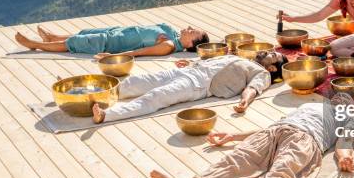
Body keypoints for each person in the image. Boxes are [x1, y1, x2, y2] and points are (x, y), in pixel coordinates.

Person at [149, 94, 354, 178]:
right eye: (339, 97)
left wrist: (344, 158)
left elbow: (344, 141)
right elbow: (269, 126)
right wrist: (233, 136)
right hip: (275, 131)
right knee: (239, 158)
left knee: (286, 167)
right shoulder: (310, 105)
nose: (341, 100)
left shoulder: (348, 118)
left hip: (306, 138)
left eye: (346, 101)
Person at [92, 51, 289, 124]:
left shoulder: (262, 73)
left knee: (156, 97)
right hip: (188, 71)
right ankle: (92, 96)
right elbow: (212, 61)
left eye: (273, 56)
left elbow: (254, 88)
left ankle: (107, 114)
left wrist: (245, 101)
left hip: (199, 84)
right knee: (136, 82)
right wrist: (191, 62)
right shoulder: (239, 57)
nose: (268, 51)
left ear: (272, 67)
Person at [14, 24, 209, 57]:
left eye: (193, 32)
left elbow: (137, 53)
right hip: (117, 32)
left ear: (191, 44)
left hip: (111, 44)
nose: (189, 29)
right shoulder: (171, 35)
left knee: (76, 43)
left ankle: (37, 45)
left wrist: (111, 57)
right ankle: (52, 38)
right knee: (84, 33)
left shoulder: (167, 46)